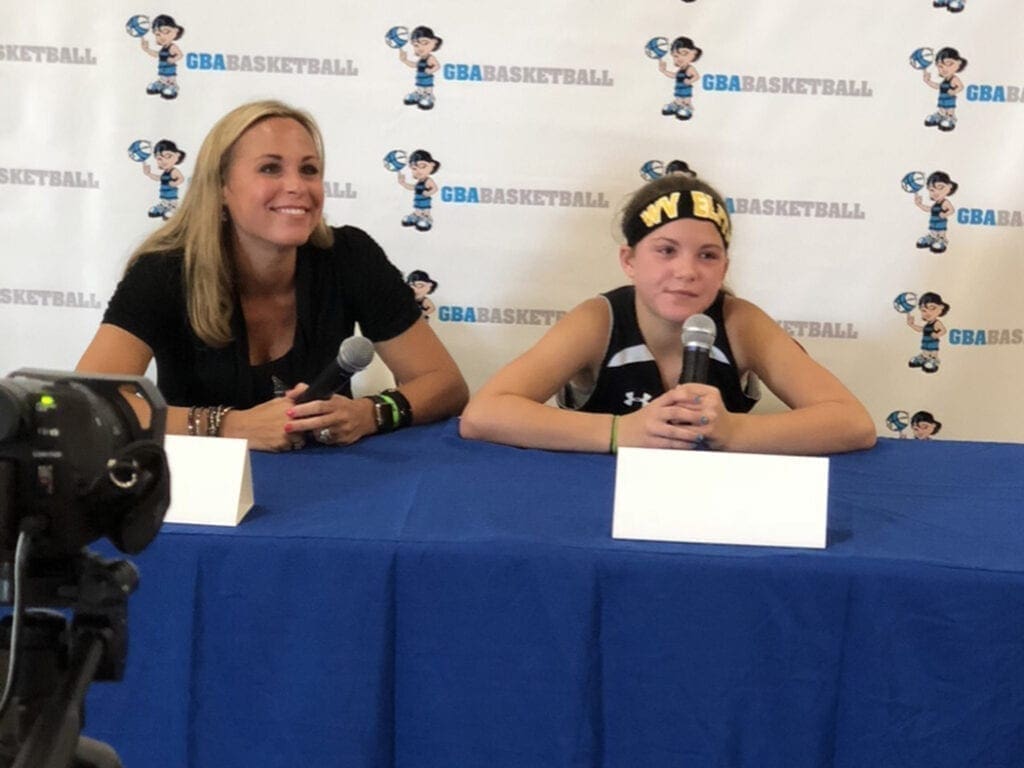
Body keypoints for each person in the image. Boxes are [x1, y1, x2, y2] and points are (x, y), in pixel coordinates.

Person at [78, 100, 468, 451]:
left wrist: (370, 413)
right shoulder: (164, 270)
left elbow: (445, 384)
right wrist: (229, 426)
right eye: (270, 168)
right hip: (203, 498)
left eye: (309, 170)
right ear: (221, 189)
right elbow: (89, 402)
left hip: (330, 486)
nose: (297, 186)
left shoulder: (349, 254)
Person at [459, 175, 876, 456]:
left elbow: (852, 422)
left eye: (707, 255)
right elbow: (485, 413)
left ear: (724, 269)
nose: (686, 271)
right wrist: (622, 433)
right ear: (629, 260)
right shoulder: (597, 321)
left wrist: (734, 432)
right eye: (665, 250)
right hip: (600, 505)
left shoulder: (741, 323)